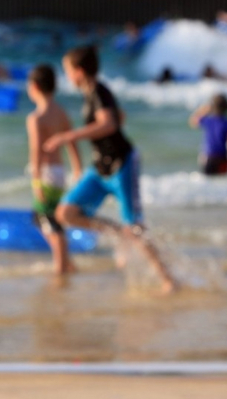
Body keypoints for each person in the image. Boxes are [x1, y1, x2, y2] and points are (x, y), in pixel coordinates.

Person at [44, 46, 177, 293]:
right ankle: (118, 234)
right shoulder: (93, 93)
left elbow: (108, 123)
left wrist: (67, 137)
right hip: (100, 166)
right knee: (65, 213)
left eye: (68, 72)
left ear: (80, 71)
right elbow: (117, 117)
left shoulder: (98, 91)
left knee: (136, 228)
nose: (67, 77)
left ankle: (168, 279)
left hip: (121, 164)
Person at [26, 64, 83, 275]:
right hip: (60, 172)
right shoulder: (61, 112)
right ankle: (66, 262)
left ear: (34, 87)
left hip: (46, 174)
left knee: (46, 220)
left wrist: (36, 180)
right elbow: (71, 142)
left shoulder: (36, 118)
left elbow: (36, 150)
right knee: (46, 218)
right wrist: (77, 168)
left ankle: (62, 266)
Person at [189, 94, 227, 176]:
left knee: (207, 181)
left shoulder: (208, 121)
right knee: (223, 181)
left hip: (208, 156)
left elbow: (193, 121)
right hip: (222, 156)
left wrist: (203, 110)